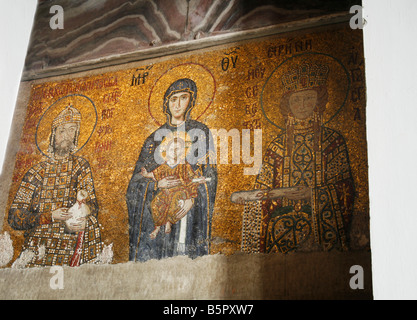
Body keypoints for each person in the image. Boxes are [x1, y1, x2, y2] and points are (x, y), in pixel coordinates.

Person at [242, 63, 355, 254]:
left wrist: (312, 194)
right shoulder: (277, 147)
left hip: (319, 221)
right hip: (280, 222)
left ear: (319, 101)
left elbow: (345, 188)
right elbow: (261, 188)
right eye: (296, 100)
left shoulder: (332, 141)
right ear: (288, 105)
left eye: (308, 98)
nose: (302, 105)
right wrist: (280, 194)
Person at [126, 78, 217, 262]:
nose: (177, 104)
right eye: (173, 99)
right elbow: (135, 184)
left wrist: (192, 199)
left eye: (183, 98)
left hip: (187, 211)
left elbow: (210, 175)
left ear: (191, 101)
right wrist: (156, 184)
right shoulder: (153, 140)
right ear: (166, 103)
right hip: (158, 210)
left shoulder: (201, 132)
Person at [8, 105, 102, 267]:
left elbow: (92, 204)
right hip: (39, 245)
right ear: (53, 135)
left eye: (72, 130)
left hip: (72, 240)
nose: (67, 136)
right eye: (62, 131)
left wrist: (83, 218)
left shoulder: (81, 167)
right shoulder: (37, 172)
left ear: (77, 134)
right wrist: (50, 216)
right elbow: (15, 216)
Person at [141, 136, 209, 239]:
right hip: (166, 192)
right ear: (167, 151)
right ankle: (157, 227)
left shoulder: (184, 165)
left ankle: (169, 221)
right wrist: (146, 175)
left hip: (180, 190)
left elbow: (192, 177)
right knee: (156, 203)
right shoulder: (163, 166)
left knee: (175, 200)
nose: (174, 152)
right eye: (172, 149)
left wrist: (200, 179)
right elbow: (154, 174)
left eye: (178, 150)